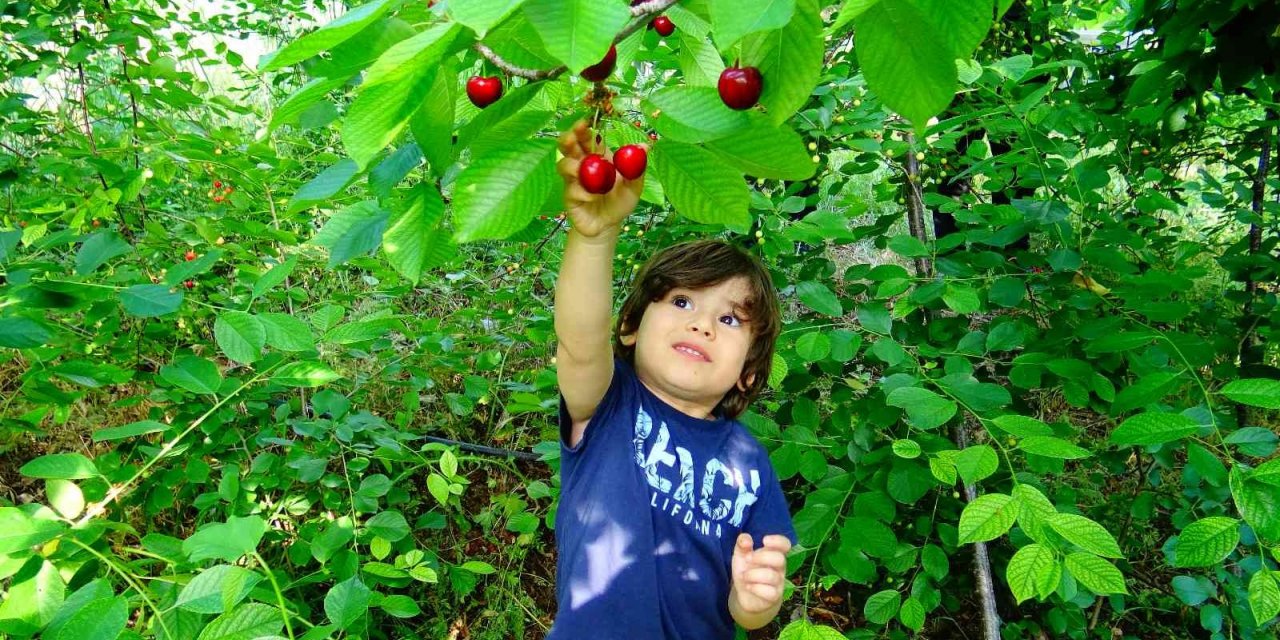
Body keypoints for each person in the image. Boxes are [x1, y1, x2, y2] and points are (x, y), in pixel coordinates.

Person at [547, 120, 796, 640]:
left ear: (748, 375)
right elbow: (579, 337)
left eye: (730, 319)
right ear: (631, 326)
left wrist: (754, 600)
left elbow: (751, 608)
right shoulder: (608, 403)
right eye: (681, 301)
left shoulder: (751, 464)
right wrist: (596, 234)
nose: (701, 323)